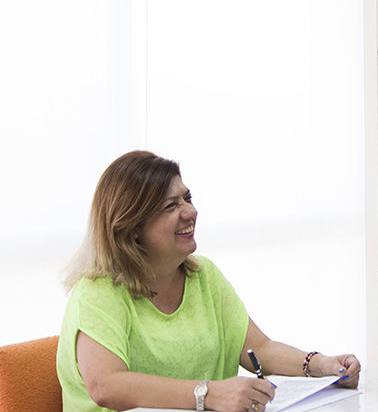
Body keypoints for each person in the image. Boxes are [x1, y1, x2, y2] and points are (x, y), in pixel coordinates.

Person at [57, 150, 360, 412]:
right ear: (132, 227)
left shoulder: (204, 276)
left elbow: (260, 349)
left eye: (187, 198)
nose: (191, 212)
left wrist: (321, 366)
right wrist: (210, 394)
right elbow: (106, 386)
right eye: (171, 205)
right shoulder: (98, 292)